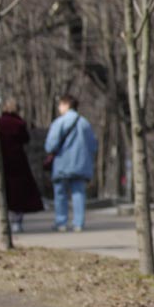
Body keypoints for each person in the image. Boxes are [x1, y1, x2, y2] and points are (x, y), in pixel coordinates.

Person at [44, 94, 98, 232]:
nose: (59, 108)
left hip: (62, 164)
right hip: (80, 164)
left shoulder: (59, 123)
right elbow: (93, 145)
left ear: (66, 105)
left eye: (60, 105)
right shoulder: (85, 123)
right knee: (78, 193)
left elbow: (50, 146)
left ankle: (61, 222)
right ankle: (78, 223)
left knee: (60, 194)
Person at [0, 99, 44, 233]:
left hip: (1, 160)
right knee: (18, 192)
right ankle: (17, 221)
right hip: (17, 160)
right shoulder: (19, 123)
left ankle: (1, 220)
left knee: (2, 190)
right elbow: (25, 139)